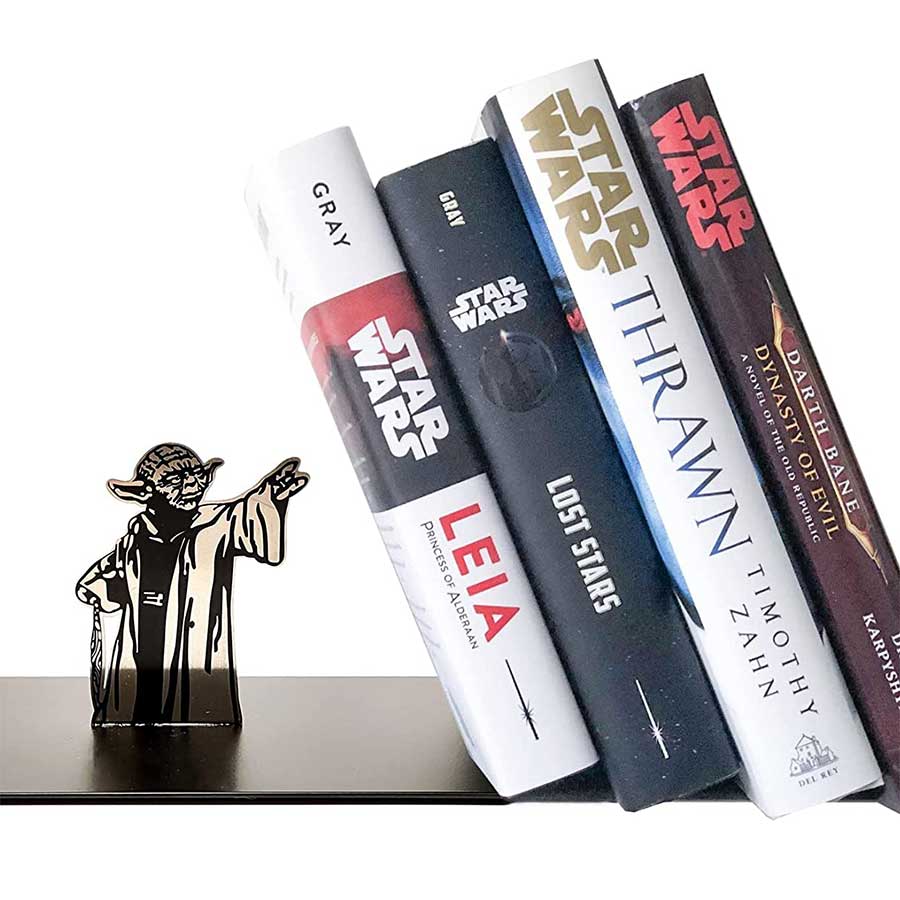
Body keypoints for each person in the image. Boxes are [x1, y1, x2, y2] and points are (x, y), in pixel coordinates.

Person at [76, 443, 308, 725]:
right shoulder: (134, 539)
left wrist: (270, 495)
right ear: (145, 492)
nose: (191, 486)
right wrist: (95, 588)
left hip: (194, 645)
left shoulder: (215, 524)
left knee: (189, 699)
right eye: (174, 480)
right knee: (139, 701)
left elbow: (248, 517)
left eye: (196, 477)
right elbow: (112, 576)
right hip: (143, 643)